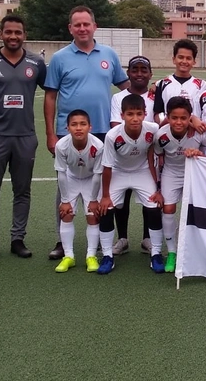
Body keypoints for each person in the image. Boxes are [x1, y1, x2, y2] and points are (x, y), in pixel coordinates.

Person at [44, 6, 129, 260]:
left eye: (86, 24)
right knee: (65, 186)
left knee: (104, 188)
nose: (82, 28)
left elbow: (125, 87)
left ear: (95, 26)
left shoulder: (109, 54)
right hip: (68, 134)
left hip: (103, 132)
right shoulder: (60, 58)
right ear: (70, 28)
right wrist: (51, 134)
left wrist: (150, 92)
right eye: (77, 25)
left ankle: (103, 240)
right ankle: (62, 239)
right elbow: (50, 97)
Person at [0, 15, 47, 260]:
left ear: (24, 35)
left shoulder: (36, 62)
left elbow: (49, 92)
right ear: (1, 34)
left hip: (25, 136)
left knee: (22, 190)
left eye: (18, 32)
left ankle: (18, 238)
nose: (13, 36)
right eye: (9, 32)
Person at [97, 94, 161, 274]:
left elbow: (168, 131)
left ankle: (156, 253)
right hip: (119, 172)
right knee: (106, 209)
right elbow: (107, 167)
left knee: (154, 206)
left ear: (145, 114)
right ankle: (108, 255)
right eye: (130, 114)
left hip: (142, 171)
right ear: (122, 115)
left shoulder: (153, 129)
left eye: (139, 114)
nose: (135, 118)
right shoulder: (112, 136)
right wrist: (105, 196)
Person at [154, 96, 206, 273]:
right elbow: (157, 156)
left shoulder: (198, 131)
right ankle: (172, 252)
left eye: (184, 118)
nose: (179, 122)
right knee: (169, 209)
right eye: (174, 118)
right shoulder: (161, 135)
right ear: (168, 117)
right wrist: (157, 187)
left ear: (190, 118)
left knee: (195, 210)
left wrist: (200, 153)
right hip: (171, 172)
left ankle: (194, 249)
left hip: (193, 172)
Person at [109, 55, 155, 256]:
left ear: (150, 74)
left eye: (143, 70)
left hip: (148, 157)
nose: (139, 74)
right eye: (134, 70)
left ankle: (147, 239)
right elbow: (115, 126)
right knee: (121, 200)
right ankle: (123, 238)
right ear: (128, 73)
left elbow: (159, 126)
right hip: (123, 156)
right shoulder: (118, 98)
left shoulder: (156, 96)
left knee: (150, 199)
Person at [53, 110, 104, 273]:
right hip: (71, 179)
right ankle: (68, 256)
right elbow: (61, 173)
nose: (78, 128)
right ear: (67, 128)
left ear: (90, 127)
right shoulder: (61, 145)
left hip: (91, 180)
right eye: (74, 124)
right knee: (66, 214)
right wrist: (66, 200)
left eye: (83, 124)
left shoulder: (98, 146)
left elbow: (97, 175)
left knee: (93, 216)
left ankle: (91, 256)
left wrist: (95, 199)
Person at [153, 38, 206, 125]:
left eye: (188, 58)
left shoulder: (202, 85)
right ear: (174, 59)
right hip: (169, 132)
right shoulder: (162, 84)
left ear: (194, 61)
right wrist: (163, 122)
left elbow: (203, 112)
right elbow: (158, 112)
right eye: (180, 57)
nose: (184, 61)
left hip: (193, 134)